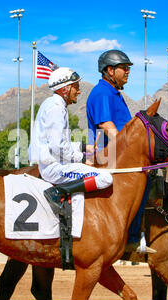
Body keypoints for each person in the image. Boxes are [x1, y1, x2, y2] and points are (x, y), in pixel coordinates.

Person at [86, 49, 156, 259]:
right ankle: (131, 239)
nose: (128, 72)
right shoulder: (102, 93)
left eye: (128, 68)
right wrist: (128, 149)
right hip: (110, 160)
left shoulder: (114, 93)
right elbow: (106, 125)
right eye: (124, 68)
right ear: (109, 70)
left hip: (119, 158)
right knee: (146, 183)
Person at [28, 67, 113, 213]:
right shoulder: (56, 108)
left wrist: (85, 147)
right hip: (55, 169)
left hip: (52, 165)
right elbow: (58, 147)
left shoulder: (52, 104)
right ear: (65, 89)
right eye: (76, 87)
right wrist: (82, 160)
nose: (78, 91)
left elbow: (60, 143)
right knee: (106, 178)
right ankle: (58, 193)